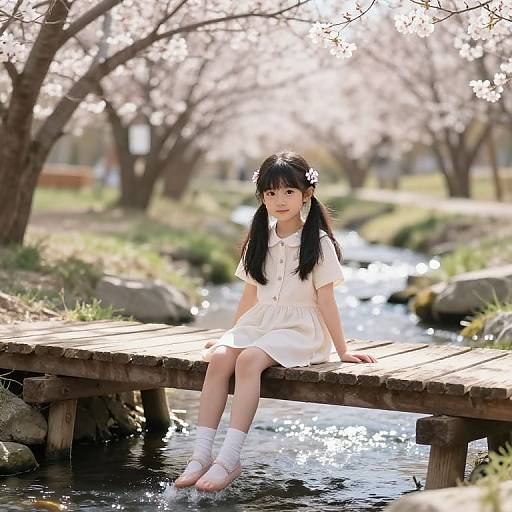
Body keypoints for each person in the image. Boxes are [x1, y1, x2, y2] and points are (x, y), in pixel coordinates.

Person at [174, 151, 378, 493]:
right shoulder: (259, 239)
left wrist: (342, 351)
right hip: (261, 323)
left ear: (306, 194)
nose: (279, 200)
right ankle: (200, 454)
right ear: (261, 196)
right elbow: (249, 295)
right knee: (223, 357)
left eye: (288, 192)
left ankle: (229, 457)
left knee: (250, 360)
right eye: (271, 193)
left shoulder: (319, 242)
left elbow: (327, 301)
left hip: (302, 329)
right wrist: (230, 336)